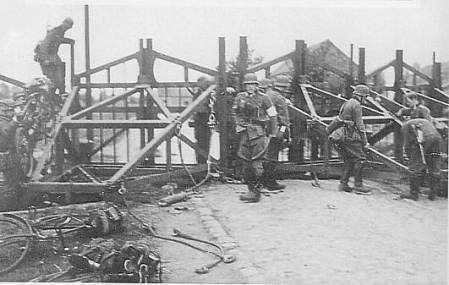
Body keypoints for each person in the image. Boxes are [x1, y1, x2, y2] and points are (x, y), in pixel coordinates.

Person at [232, 73, 278, 203]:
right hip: (244, 132)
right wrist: (239, 123)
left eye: (252, 84)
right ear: (245, 85)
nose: (250, 87)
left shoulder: (264, 98)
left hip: (258, 132)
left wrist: (273, 133)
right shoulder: (240, 97)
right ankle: (250, 190)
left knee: (257, 163)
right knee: (245, 162)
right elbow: (234, 112)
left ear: (257, 85)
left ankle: (256, 192)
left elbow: (273, 115)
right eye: (248, 85)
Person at [327, 84, 371, 195]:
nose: (365, 99)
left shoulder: (347, 102)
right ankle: (358, 186)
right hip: (350, 136)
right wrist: (365, 142)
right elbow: (360, 126)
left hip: (341, 136)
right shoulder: (356, 105)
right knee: (360, 158)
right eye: (365, 97)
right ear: (360, 96)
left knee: (348, 160)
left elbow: (338, 119)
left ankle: (344, 184)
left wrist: (328, 129)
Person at [259, 75, 290, 190]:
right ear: (283, 87)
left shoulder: (266, 95)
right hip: (276, 130)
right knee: (272, 156)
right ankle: (270, 182)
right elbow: (283, 118)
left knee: (265, 155)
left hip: (264, 129)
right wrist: (282, 131)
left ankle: (263, 181)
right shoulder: (279, 98)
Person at [400, 118, 442, 201]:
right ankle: (433, 194)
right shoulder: (424, 121)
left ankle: (413, 194)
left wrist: (411, 158)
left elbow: (407, 144)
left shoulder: (405, 126)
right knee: (434, 165)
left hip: (424, 139)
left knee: (414, 167)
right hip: (437, 138)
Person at [34, 17, 74, 96]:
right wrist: (45, 59)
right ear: (64, 23)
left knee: (60, 70)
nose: (67, 29)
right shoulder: (54, 32)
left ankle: (60, 92)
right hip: (47, 56)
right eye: (67, 26)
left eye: (68, 28)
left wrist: (69, 41)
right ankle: (54, 94)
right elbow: (44, 46)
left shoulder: (60, 32)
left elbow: (59, 39)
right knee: (53, 78)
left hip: (52, 56)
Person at [0, 99, 25, 211]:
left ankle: (14, 206)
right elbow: (5, 132)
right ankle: (6, 211)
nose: (13, 112)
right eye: (11, 110)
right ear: (4, 111)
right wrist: (15, 120)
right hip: (5, 156)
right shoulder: (2, 121)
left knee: (16, 180)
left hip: (11, 155)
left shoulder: (6, 119)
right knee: (9, 185)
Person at [192, 76, 212, 164]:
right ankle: (201, 162)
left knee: (206, 142)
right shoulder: (198, 94)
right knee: (201, 142)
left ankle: (203, 162)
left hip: (206, 120)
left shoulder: (210, 94)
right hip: (200, 121)